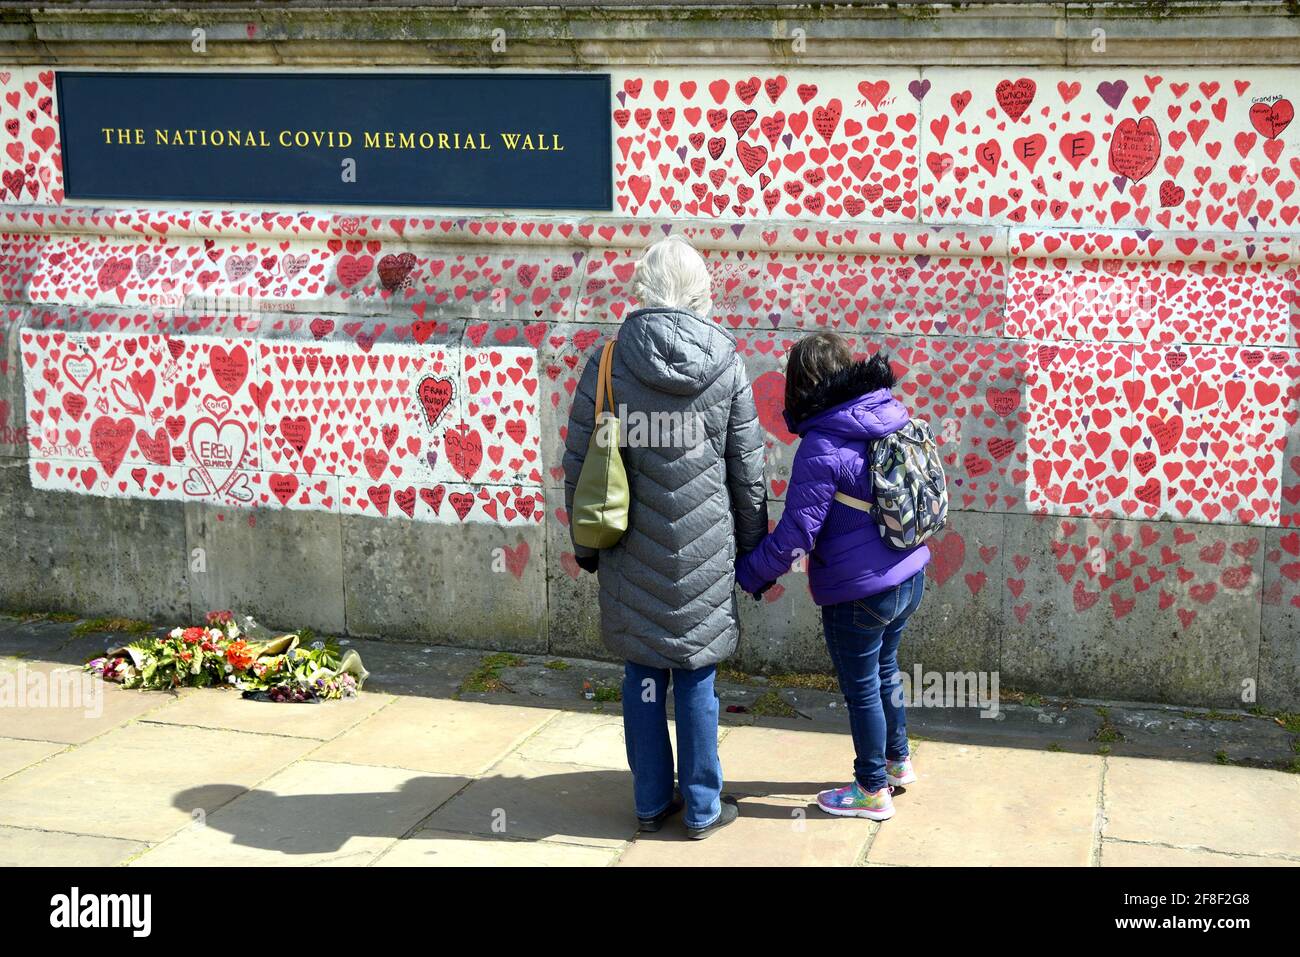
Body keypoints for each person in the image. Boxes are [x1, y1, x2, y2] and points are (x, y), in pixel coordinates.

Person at [562, 236, 768, 839]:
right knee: (698, 675)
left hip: (630, 548)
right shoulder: (726, 361)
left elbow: (581, 463)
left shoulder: (609, 359)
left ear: (642, 286)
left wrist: (586, 548)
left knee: (645, 675)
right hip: (704, 554)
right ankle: (704, 807)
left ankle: (651, 801)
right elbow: (747, 471)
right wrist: (753, 549)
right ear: (704, 291)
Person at [736, 331, 930, 822]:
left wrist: (752, 573)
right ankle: (897, 760)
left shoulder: (822, 443)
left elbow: (798, 533)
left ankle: (870, 790)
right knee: (886, 672)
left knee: (862, 686)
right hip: (909, 574)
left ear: (799, 386)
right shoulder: (887, 414)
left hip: (859, 590)